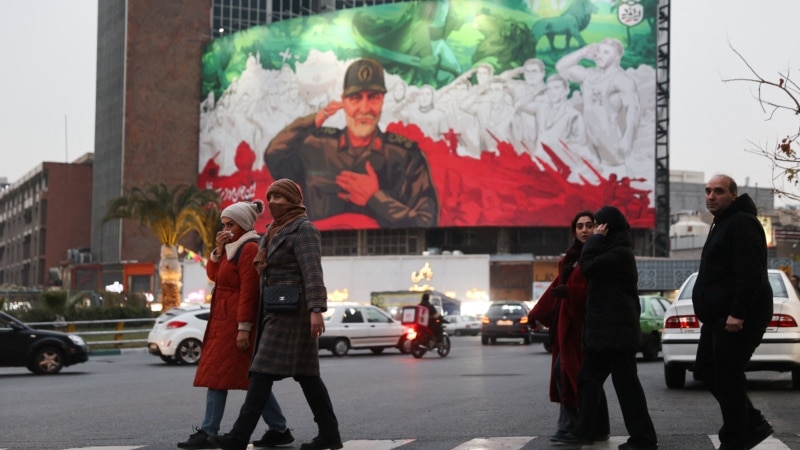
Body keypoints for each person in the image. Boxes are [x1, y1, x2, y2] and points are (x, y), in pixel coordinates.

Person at [210, 179, 342, 450]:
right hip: (274, 310)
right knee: (307, 377)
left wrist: (316, 309)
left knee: (260, 374)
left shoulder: (304, 229)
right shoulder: (271, 230)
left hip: (294, 312)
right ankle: (329, 434)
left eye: (279, 197)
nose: (273, 202)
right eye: (270, 197)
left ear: (293, 200)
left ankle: (238, 437)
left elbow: (312, 271)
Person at [264, 58, 439, 228]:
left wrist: (376, 198)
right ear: (344, 101)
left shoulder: (406, 156)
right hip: (321, 246)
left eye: (373, 97)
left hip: (385, 247)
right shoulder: (317, 146)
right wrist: (315, 119)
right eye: (356, 98)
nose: (364, 109)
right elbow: (274, 156)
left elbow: (426, 220)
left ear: (382, 100)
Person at [178, 200, 293, 449]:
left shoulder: (248, 248)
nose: (225, 229)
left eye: (230, 224)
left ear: (242, 224)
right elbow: (215, 276)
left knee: (219, 377)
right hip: (223, 322)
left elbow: (249, 292)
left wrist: (244, 327)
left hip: (234, 325)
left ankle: (208, 431)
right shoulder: (232, 247)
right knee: (251, 381)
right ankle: (279, 428)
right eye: (223, 224)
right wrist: (218, 251)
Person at [557, 205, 658, 450]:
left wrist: (594, 240)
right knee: (588, 379)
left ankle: (643, 439)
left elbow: (588, 266)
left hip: (616, 334)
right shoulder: (612, 250)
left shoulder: (619, 253)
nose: (593, 230)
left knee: (627, 388)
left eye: (598, 225)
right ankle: (588, 430)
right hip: (606, 335)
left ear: (607, 227)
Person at [692, 175, 774, 450]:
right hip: (717, 317)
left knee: (728, 375)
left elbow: (751, 274)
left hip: (737, 317)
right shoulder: (722, 222)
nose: (711, 196)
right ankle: (751, 423)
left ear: (733, 195)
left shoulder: (742, 223)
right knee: (707, 369)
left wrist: (738, 313)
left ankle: (737, 437)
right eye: (708, 191)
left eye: (718, 191)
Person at [528, 210, 608, 442]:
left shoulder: (599, 256)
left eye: (589, 225)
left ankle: (573, 426)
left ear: (598, 228)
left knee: (574, 376)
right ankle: (590, 427)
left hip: (585, 327)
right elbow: (555, 289)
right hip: (568, 327)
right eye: (580, 226)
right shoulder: (571, 259)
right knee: (576, 376)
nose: (584, 230)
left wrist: (571, 292)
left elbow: (597, 290)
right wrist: (536, 313)